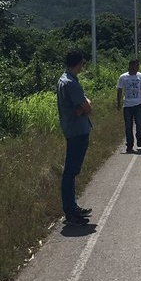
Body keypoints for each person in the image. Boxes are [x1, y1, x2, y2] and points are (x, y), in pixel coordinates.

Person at [56, 49, 93, 226]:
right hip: (77, 131)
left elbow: (81, 107)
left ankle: (72, 207)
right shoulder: (71, 83)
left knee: (71, 172)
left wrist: (82, 107)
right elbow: (86, 107)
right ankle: (70, 211)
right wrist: (85, 106)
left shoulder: (65, 80)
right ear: (79, 63)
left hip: (73, 128)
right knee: (70, 172)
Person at [116, 59, 141, 154]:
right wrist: (118, 103)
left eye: (138, 66)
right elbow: (119, 90)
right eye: (135, 65)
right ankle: (129, 144)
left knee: (139, 124)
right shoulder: (123, 77)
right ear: (130, 66)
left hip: (138, 104)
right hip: (127, 105)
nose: (137, 67)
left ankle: (139, 137)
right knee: (128, 126)